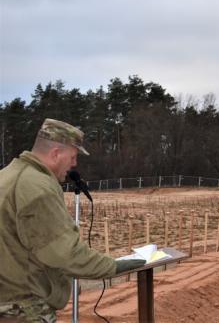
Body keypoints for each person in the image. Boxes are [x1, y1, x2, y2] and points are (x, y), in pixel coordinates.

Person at [0, 119, 145, 322]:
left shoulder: (7, 175)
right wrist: (112, 267)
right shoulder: (38, 187)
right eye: (73, 156)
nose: (74, 164)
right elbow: (63, 252)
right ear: (56, 153)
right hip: (23, 309)